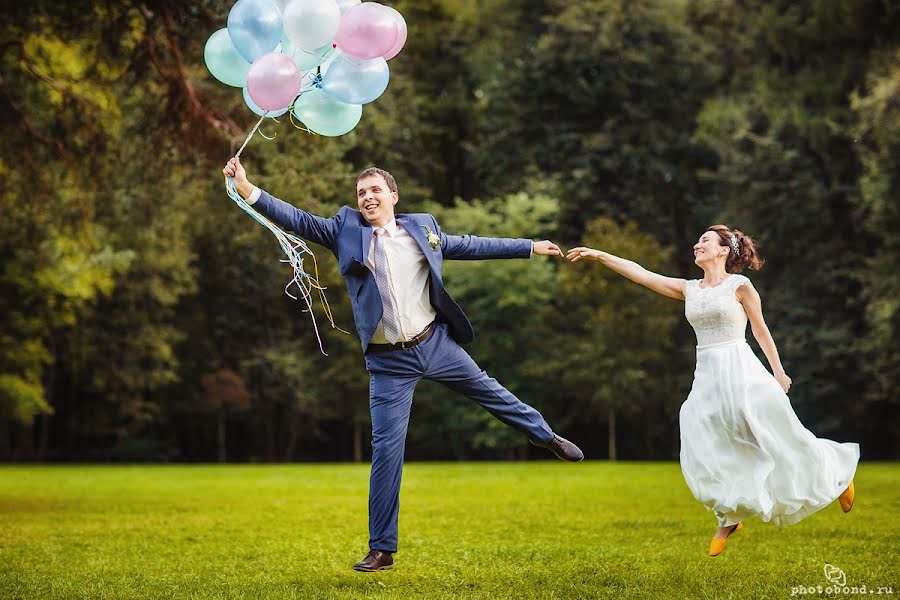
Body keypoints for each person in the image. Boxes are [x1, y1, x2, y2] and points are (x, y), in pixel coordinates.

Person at [223, 158, 584, 572]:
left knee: (490, 390)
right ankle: (382, 549)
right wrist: (247, 187)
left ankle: (545, 436)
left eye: (375, 190)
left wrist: (528, 246)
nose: (368, 197)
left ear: (393, 196)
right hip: (388, 363)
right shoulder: (345, 231)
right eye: (361, 193)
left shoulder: (423, 229)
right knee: (386, 453)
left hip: (435, 344)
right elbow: (296, 219)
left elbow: (469, 244)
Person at [566, 225, 859, 557]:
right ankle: (729, 516)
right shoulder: (689, 289)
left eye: (704, 241)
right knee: (705, 437)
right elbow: (643, 275)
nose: (696, 245)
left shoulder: (740, 286)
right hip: (708, 375)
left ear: (723, 251)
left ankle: (837, 474)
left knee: (779, 435)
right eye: (697, 241)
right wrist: (600, 255)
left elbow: (761, 331)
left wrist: (778, 372)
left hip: (742, 370)